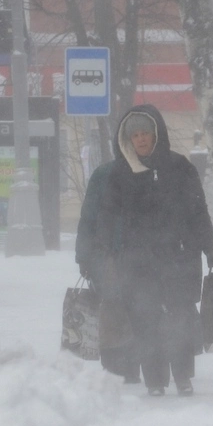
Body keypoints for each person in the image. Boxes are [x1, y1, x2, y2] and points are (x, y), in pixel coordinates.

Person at [95, 103, 213, 397]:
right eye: (135, 134)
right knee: (145, 317)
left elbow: (197, 210)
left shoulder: (179, 168)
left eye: (145, 133)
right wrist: (102, 253)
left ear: (156, 135)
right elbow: (106, 217)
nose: (140, 139)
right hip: (137, 261)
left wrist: (209, 246)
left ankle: (183, 376)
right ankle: (154, 381)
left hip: (177, 257)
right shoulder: (120, 174)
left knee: (180, 316)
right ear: (128, 139)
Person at [76, 159, 141, 384]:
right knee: (115, 308)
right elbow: (88, 218)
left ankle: (127, 366)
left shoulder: (147, 170)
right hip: (107, 255)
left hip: (136, 255)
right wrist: (83, 256)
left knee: (133, 308)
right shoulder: (103, 173)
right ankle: (116, 366)